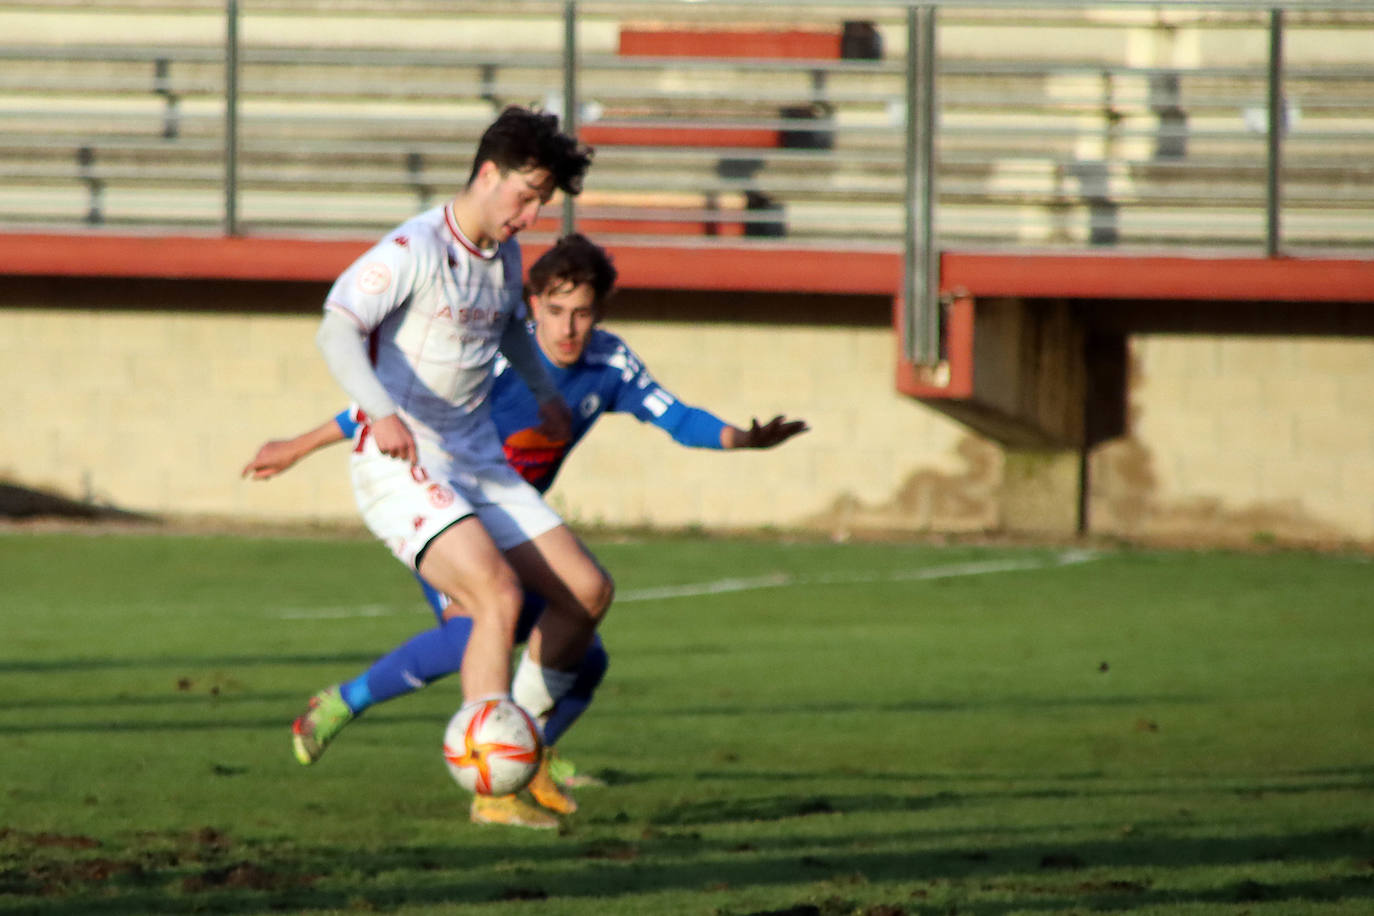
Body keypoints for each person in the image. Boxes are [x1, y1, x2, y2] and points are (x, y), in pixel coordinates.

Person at [246, 233, 809, 828]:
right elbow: (389, 405)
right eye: (555, 310)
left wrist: (741, 438)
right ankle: (346, 706)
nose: (568, 328)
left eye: (582, 312)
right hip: (448, 509)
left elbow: (678, 417)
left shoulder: (609, 363)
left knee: (584, 655)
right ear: (532, 305)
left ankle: (527, 755)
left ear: (600, 313)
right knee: (480, 632)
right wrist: (299, 445)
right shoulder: (493, 355)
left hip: (516, 520)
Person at [301, 105, 612, 828]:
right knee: (496, 599)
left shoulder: (500, 256)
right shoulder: (412, 247)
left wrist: (543, 394)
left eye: (542, 202)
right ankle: (491, 789)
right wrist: (377, 410)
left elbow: (507, 324)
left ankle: (511, 745)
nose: (531, 216)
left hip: (476, 457)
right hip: (401, 462)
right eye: (526, 195)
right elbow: (336, 327)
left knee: (588, 592)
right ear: (486, 173)